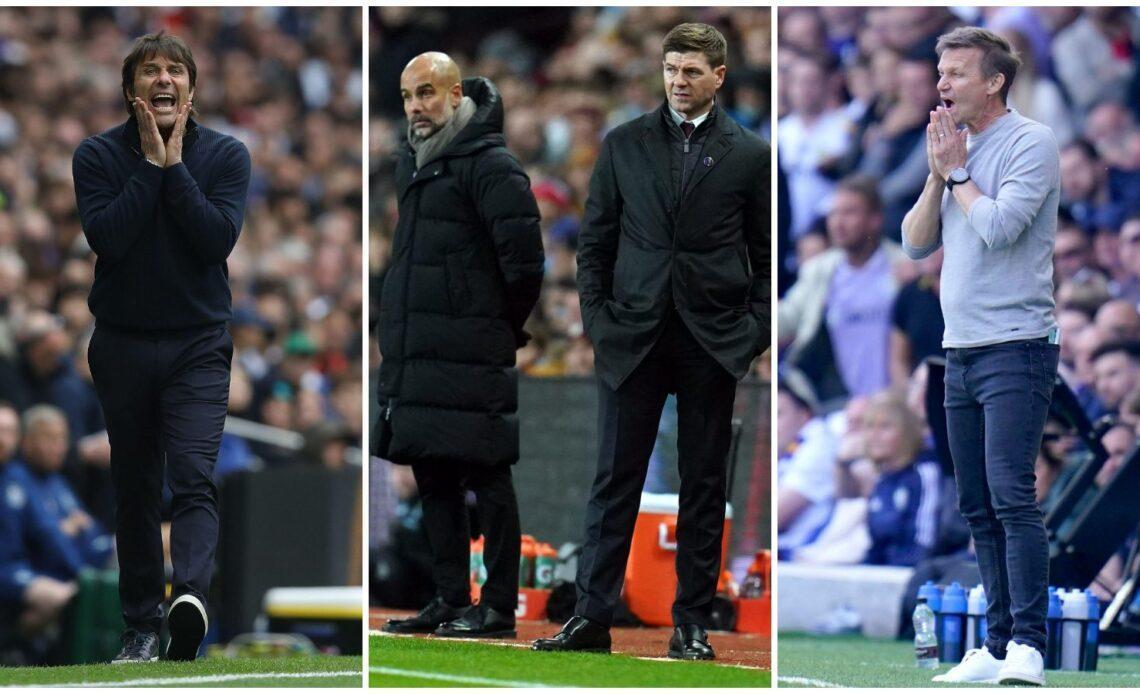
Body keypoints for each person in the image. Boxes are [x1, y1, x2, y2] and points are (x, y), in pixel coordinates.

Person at [533, 23, 769, 660]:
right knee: (614, 480)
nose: (679, 82)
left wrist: (750, 335)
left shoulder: (750, 155)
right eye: (671, 69)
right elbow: (594, 245)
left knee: (702, 485)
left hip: (711, 339)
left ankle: (690, 623)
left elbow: (768, 259)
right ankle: (590, 617)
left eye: (692, 71)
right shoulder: (624, 144)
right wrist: (599, 323)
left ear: (719, 76)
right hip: (632, 335)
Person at [71, 32, 251, 663]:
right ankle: (141, 625)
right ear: (131, 91)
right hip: (121, 344)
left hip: (197, 344)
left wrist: (174, 170)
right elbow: (110, 239)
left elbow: (213, 241)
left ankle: (190, 601)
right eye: (151, 71)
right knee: (136, 486)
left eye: (176, 70)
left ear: (193, 89)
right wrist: (151, 166)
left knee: (195, 474)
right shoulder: (96, 156)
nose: (164, 79)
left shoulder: (226, 156)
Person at [900, 27, 1060, 685]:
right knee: (975, 506)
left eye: (957, 73)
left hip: (1017, 346)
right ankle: (993, 648)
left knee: (1010, 495)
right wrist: (940, 176)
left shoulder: (1032, 142)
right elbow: (913, 244)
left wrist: (958, 171)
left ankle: (1027, 645)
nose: (942, 84)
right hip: (959, 349)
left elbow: (997, 229)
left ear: (994, 81)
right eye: (941, 72)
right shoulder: (949, 148)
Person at [376, 52, 544, 639]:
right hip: (419, 347)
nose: (416, 106)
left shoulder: (492, 165)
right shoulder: (412, 163)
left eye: (426, 93)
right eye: (406, 96)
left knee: (487, 473)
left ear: (455, 95)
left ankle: (498, 605)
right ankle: (449, 598)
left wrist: (495, 325)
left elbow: (525, 265)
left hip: (470, 345)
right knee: (432, 472)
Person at [0, 406, 112, 656]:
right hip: (14, 571)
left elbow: (89, 531)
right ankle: (13, 646)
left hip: (63, 568)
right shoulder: (14, 481)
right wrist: (66, 534)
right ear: (27, 441)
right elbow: (44, 536)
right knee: (76, 595)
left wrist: (71, 534)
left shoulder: (58, 483)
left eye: (61, 438)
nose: (57, 446)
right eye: (49, 438)